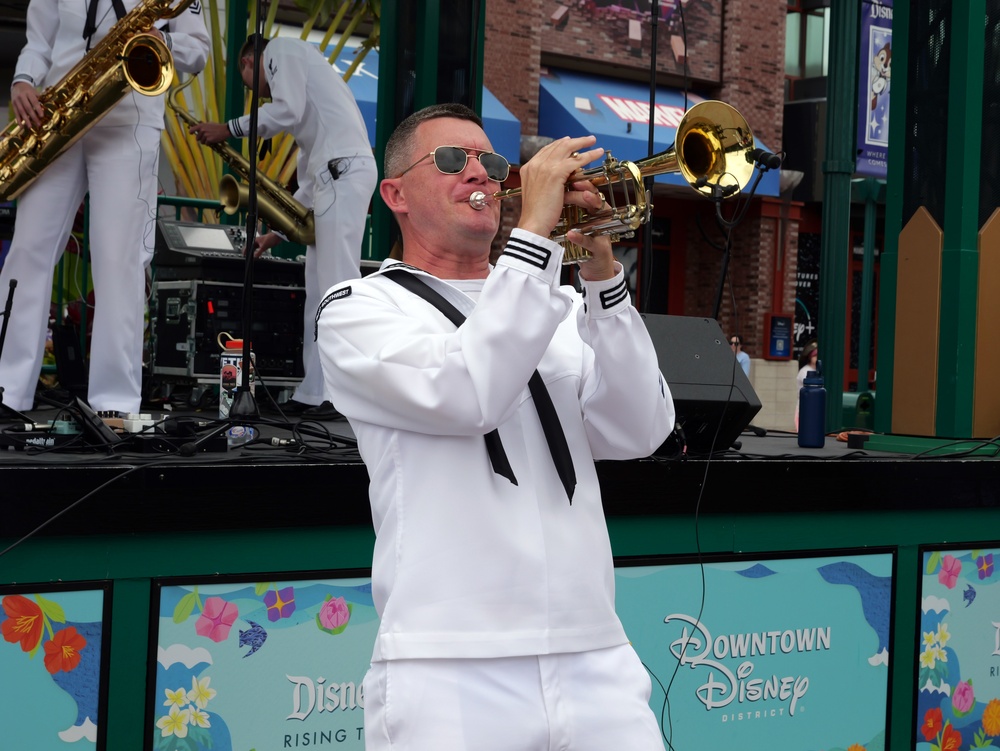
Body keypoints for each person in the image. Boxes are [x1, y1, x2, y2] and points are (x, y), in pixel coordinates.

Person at [316, 103, 675, 751]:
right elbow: (467, 392)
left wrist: (599, 271)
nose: (479, 172)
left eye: (493, 160)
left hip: (594, 649)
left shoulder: (553, 298)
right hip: (450, 663)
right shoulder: (360, 309)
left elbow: (639, 427)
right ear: (394, 194)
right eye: (453, 159)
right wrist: (535, 236)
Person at [0, 0, 209, 416]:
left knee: (120, 262)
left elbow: (198, 50)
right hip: (58, 116)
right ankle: (7, 390)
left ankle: (114, 404)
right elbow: (39, 42)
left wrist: (159, 39)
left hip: (128, 117)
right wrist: (23, 80)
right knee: (27, 253)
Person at [190, 34, 377, 418]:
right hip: (333, 174)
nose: (259, 94)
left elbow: (286, 112)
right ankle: (315, 392)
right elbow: (308, 175)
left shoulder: (281, 50)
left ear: (247, 61)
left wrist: (228, 129)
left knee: (336, 288)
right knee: (319, 293)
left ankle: (340, 395)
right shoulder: (310, 90)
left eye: (251, 84)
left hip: (342, 173)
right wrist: (275, 233)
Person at [795, 342, 819, 429]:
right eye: (814, 355)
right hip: (804, 407)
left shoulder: (818, 371)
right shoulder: (805, 371)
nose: (816, 358)